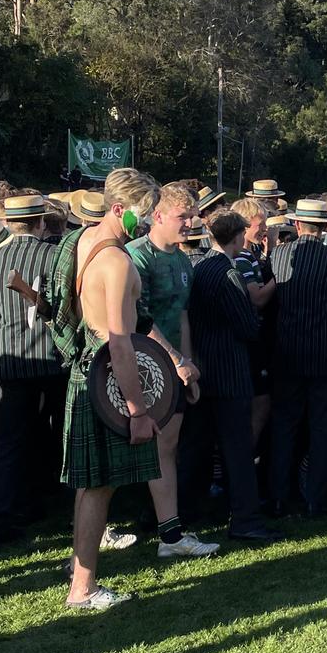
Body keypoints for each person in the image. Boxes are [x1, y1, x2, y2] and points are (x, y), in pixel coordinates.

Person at [52, 168, 162, 608]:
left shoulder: (81, 241)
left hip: (87, 374)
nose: (150, 222)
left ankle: (80, 570)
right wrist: (137, 409)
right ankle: (83, 589)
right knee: (99, 487)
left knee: (91, 483)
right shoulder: (115, 261)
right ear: (119, 209)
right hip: (107, 380)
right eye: (145, 213)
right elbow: (120, 342)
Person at [127, 182, 218, 558]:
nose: (191, 222)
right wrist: (177, 361)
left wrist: (188, 364)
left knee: (167, 446)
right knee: (130, 448)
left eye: (193, 215)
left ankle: (170, 534)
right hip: (138, 365)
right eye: (184, 216)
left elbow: (182, 316)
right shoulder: (137, 256)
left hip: (173, 368)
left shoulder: (182, 260)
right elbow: (138, 318)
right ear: (158, 215)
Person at [0, 193, 68, 545]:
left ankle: (2, 520)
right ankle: (63, 505)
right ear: (42, 222)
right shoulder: (53, 255)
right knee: (62, 436)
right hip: (52, 358)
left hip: (11, 359)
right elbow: (63, 309)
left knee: (11, 444)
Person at [188, 210, 278, 541]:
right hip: (229, 372)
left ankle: (182, 513)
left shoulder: (202, 267)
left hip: (206, 367)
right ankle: (246, 520)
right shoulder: (226, 272)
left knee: (198, 446)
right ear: (238, 236)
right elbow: (247, 324)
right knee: (238, 450)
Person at [268, 199, 327, 517]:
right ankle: (316, 499)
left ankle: (279, 496)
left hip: (288, 353)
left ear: (298, 225)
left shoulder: (276, 256)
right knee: (322, 428)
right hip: (326, 354)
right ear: (323, 228)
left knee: (284, 426)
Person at [230, 198, 276, 448]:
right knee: (259, 401)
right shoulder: (243, 259)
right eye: (261, 223)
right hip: (250, 342)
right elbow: (257, 299)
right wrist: (281, 275)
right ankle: (246, 455)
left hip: (252, 340)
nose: (265, 228)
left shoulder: (251, 254)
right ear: (245, 225)